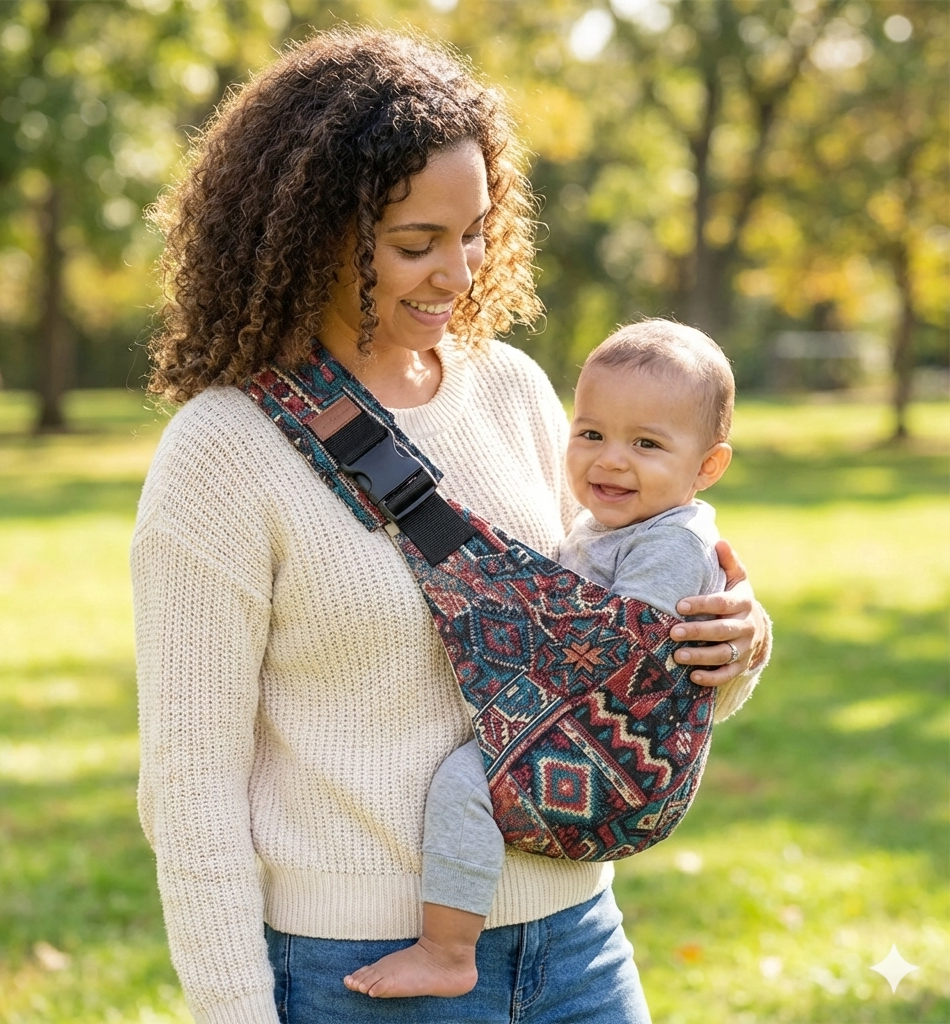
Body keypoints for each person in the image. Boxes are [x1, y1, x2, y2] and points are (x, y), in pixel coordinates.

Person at [132, 28, 771, 1024]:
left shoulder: (511, 391)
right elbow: (191, 788)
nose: (459, 273)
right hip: (360, 976)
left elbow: (597, 654)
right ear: (311, 236)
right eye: (415, 244)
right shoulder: (224, 452)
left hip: (576, 948)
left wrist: (729, 646)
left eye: (474, 231)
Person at [342, 319, 750, 1001]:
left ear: (707, 467)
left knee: (463, 786)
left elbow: (626, 652)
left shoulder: (670, 544)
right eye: (591, 434)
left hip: (602, 743)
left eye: (646, 444)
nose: (610, 460)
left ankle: (447, 950)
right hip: (576, 730)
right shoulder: (611, 522)